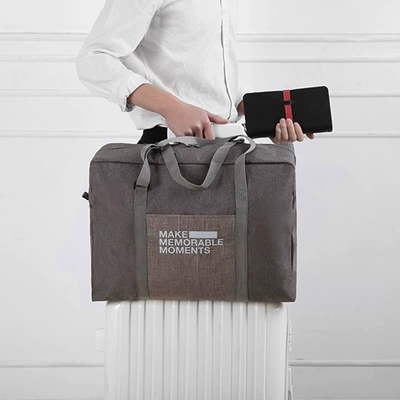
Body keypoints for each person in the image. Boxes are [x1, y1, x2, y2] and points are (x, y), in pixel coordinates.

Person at [76, 0, 314, 144]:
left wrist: (266, 115)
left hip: (231, 148)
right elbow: (94, 58)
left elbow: (208, 76)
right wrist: (172, 107)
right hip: (169, 151)